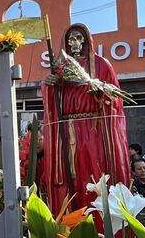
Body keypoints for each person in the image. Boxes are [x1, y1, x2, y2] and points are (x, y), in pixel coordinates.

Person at [42, 23, 131, 213]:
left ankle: (101, 226)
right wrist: (50, 86)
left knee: (95, 175)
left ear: (86, 41)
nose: (74, 43)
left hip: (94, 131)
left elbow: (115, 99)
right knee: (70, 177)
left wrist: (100, 93)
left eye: (78, 38)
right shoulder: (59, 68)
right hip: (66, 130)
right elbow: (52, 102)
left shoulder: (101, 64)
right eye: (70, 39)